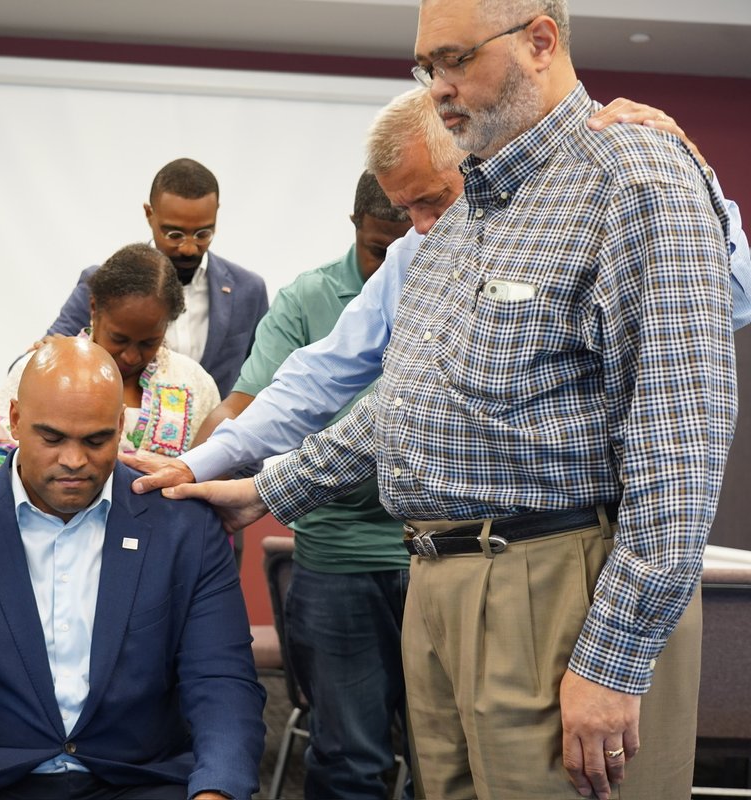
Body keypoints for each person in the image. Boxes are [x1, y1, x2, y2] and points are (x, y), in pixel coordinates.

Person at [154, 2, 739, 798]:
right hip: (437, 585)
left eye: (456, 59)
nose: (439, 88)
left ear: (540, 40)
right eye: (427, 67)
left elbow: (681, 448)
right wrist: (263, 489)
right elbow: (403, 403)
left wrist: (614, 661)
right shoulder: (458, 221)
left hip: (555, 589)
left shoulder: (636, 177)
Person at [126, 89, 750, 494]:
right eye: (405, 209)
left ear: (476, 156)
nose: (419, 226)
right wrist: (200, 463)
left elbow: (735, 299)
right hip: (436, 548)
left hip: (569, 539)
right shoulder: (415, 254)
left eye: (430, 200)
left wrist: (694, 171)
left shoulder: (571, 216)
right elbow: (318, 378)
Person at [0, 337, 266, 800]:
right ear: (14, 420)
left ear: (120, 425)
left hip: (141, 783)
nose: (74, 461)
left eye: (96, 440)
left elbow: (222, 684)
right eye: (51, 438)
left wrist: (216, 792)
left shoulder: (183, 528)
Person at [192, 172, 414, 800]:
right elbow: (251, 404)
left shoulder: (448, 280)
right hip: (338, 557)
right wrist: (190, 466)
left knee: (445, 757)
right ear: (354, 226)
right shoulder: (307, 298)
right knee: (348, 758)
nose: (391, 266)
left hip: (437, 551)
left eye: (411, 240)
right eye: (378, 249)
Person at [0, 243, 221, 474]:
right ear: (94, 308)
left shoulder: (194, 383)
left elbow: (214, 470)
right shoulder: (43, 368)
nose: (131, 356)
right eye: (119, 339)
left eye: (148, 343)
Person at [44, 158, 269, 397]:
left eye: (204, 233)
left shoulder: (248, 291)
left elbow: (264, 382)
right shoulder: (105, 285)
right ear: (149, 214)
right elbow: (37, 367)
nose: (189, 248)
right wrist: (43, 357)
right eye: (174, 234)